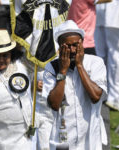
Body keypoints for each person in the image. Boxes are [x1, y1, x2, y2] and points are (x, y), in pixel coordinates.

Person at [42, 20, 108, 150]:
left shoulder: (95, 63)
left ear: (82, 44)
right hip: (63, 139)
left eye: (75, 45)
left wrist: (79, 66)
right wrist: (62, 71)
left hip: (90, 138)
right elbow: (55, 104)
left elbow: (95, 97)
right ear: (59, 47)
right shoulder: (52, 67)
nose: (72, 50)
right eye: (67, 46)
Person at [94, 0, 119, 111]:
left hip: (116, 16)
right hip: (100, 14)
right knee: (100, 56)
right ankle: (102, 91)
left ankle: (116, 98)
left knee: (116, 58)